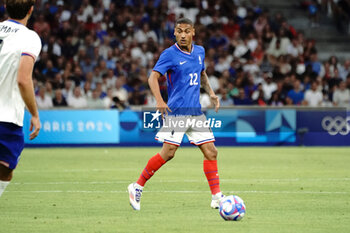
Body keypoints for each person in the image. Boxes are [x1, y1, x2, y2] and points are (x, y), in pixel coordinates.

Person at [128, 18, 224, 211]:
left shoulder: (199, 51)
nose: (182, 35)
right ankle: (137, 186)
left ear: (193, 32)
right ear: (174, 33)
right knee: (168, 153)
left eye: (186, 31)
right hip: (176, 112)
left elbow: (202, 73)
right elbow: (152, 77)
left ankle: (216, 197)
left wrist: (212, 93)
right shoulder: (169, 54)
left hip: (195, 112)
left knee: (211, 152)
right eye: (179, 31)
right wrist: (159, 100)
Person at [0, 0, 42, 197]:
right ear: (31, 10)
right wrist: (34, 114)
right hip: (6, 117)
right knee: (5, 171)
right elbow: (23, 80)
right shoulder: (30, 38)